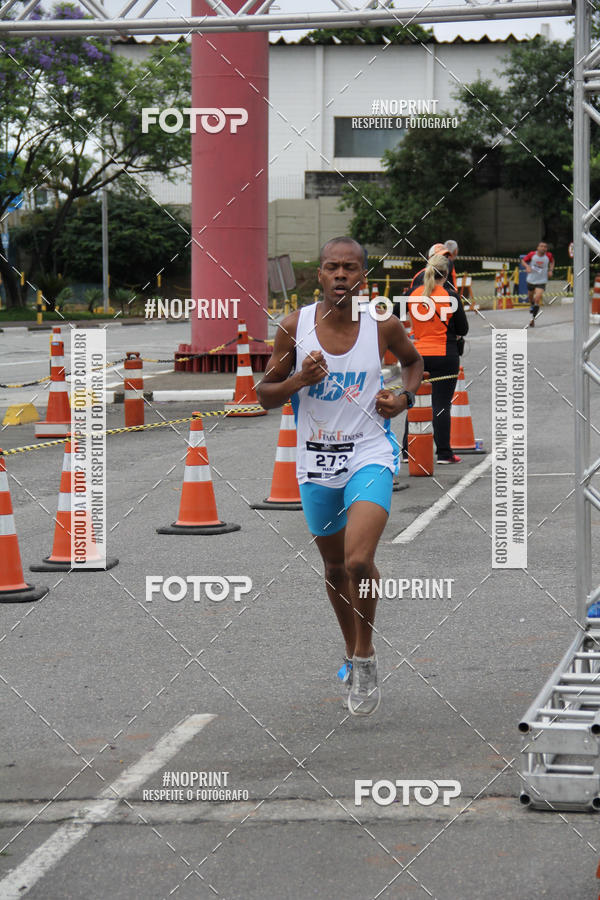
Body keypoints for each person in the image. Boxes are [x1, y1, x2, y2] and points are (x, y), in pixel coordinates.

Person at [257, 237, 423, 716]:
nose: (341, 275)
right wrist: (298, 381)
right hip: (316, 461)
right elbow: (265, 394)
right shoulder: (295, 327)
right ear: (320, 275)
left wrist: (403, 398)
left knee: (357, 561)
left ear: (363, 277)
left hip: (370, 454)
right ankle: (350, 651)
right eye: (332, 267)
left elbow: (413, 362)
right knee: (333, 568)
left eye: (350, 268)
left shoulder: (382, 324)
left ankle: (365, 655)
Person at [403, 253, 468, 465]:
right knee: (441, 405)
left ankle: (407, 451)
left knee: (413, 402)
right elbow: (463, 328)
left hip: (418, 355)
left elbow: (393, 316)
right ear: (447, 274)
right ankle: (444, 453)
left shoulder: (412, 294)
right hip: (444, 354)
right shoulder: (451, 296)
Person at [523, 241, 554, 327]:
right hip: (531, 280)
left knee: (537, 298)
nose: (543, 248)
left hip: (542, 281)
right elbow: (523, 261)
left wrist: (551, 270)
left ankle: (532, 319)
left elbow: (552, 262)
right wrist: (527, 266)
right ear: (538, 247)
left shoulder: (549, 255)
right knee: (531, 298)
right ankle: (532, 305)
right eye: (541, 246)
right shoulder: (532, 254)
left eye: (545, 247)